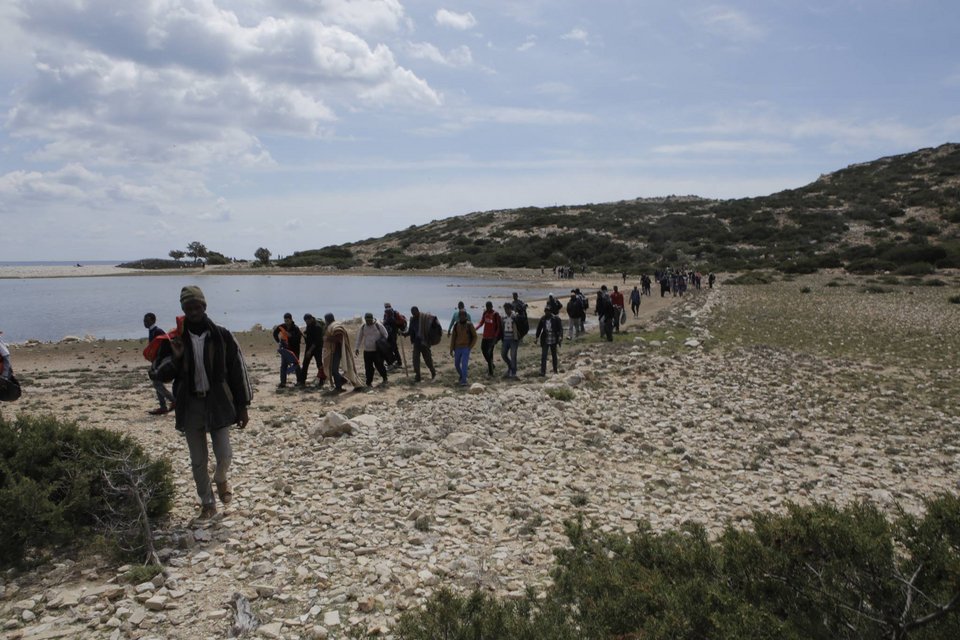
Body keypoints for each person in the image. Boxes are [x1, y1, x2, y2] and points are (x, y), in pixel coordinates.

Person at [151, 286, 252, 520]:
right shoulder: (174, 339)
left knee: (225, 454)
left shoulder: (222, 335)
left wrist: (243, 406)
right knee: (198, 459)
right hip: (190, 406)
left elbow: (238, 371)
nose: (194, 311)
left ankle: (220, 479)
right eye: (189, 307)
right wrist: (176, 359)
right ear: (183, 309)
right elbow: (159, 373)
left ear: (204, 307)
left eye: (197, 306)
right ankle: (207, 502)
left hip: (219, 403)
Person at [144, 312, 176, 415]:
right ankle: (163, 406)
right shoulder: (152, 331)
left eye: (147, 320)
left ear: (153, 320)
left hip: (161, 360)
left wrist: (159, 362)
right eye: (144, 321)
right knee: (157, 382)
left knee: (157, 382)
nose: (145, 322)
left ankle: (174, 401)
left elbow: (164, 346)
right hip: (157, 360)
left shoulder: (157, 331)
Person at [322, 313, 363, 392]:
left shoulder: (335, 326)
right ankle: (341, 381)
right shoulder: (331, 326)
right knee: (332, 369)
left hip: (336, 351)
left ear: (328, 319)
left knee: (334, 369)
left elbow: (339, 338)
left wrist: (327, 338)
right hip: (331, 352)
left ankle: (339, 387)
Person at [403, 306, 437, 382]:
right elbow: (410, 331)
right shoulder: (412, 320)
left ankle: (433, 373)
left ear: (418, 311)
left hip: (424, 343)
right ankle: (418, 376)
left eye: (415, 312)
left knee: (428, 359)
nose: (414, 314)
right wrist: (404, 334)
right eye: (413, 313)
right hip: (416, 343)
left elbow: (430, 328)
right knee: (415, 360)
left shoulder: (424, 319)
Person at [355, 312, 389, 387]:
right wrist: (357, 348)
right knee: (368, 368)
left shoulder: (378, 325)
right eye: (366, 320)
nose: (368, 322)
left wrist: (381, 342)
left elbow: (385, 334)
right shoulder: (363, 326)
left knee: (379, 365)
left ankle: (385, 378)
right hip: (367, 351)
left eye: (369, 320)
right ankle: (368, 382)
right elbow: (359, 338)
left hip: (377, 351)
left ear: (372, 319)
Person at [449, 310, 478, 386]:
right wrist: (451, 349)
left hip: (466, 348)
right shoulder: (456, 325)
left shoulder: (469, 325)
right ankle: (462, 375)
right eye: (460, 315)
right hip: (457, 348)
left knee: (464, 364)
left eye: (463, 315)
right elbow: (453, 338)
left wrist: (470, 347)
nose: (462, 317)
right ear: (459, 316)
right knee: (456, 364)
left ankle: (464, 381)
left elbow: (475, 336)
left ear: (465, 316)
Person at [474, 300, 502, 376]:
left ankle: (491, 373)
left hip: (492, 338)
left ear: (491, 306)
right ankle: (491, 365)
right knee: (483, 350)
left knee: (490, 354)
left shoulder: (495, 314)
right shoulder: (485, 313)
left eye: (489, 307)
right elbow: (481, 322)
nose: (488, 308)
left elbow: (499, 327)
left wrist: (495, 337)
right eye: (486, 307)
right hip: (485, 337)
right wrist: (475, 329)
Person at [299, 313, 326, 387]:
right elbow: (309, 332)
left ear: (311, 319)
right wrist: (304, 333)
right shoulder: (309, 324)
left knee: (319, 364)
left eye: (307, 321)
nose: (306, 323)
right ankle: (302, 380)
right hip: (309, 347)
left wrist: (310, 351)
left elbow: (317, 341)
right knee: (305, 364)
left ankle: (322, 380)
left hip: (317, 348)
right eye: (305, 321)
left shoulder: (318, 327)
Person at [535, 306, 563, 376]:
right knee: (544, 356)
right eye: (546, 311)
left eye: (548, 311)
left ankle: (555, 370)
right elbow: (539, 328)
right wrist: (536, 337)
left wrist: (560, 337)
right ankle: (543, 371)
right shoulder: (543, 319)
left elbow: (560, 328)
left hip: (553, 339)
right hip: (545, 339)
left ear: (551, 312)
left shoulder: (556, 319)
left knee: (554, 355)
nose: (547, 313)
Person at [275, 325, 301, 389]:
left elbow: (298, 339)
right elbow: (275, 333)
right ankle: (283, 383)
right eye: (285, 320)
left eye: (287, 320)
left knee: (296, 364)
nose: (286, 322)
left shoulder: (295, 328)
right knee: (284, 365)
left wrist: (291, 336)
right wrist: (278, 341)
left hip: (294, 349)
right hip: (285, 349)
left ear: (290, 319)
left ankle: (299, 381)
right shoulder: (282, 326)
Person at [382, 303, 404, 369]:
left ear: (391, 306)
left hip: (393, 333)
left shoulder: (395, 313)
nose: (387, 308)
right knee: (388, 348)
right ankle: (392, 362)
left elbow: (401, 321)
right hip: (387, 333)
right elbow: (384, 322)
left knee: (394, 348)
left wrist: (394, 322)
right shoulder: (385, 314)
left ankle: (399, 362)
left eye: (388, 306)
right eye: (386, 307)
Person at [501, 302, 519, 378]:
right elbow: (502, 327)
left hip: (513, 339)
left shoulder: (515, 316)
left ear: (510, 308)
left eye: (507, 309)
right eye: (505, 309)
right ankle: (510, 366)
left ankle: (513, 372)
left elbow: (519, 325)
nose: (506, 310)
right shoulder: (503, 317)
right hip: (505, 339)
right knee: (503, 354)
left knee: (513, 355)